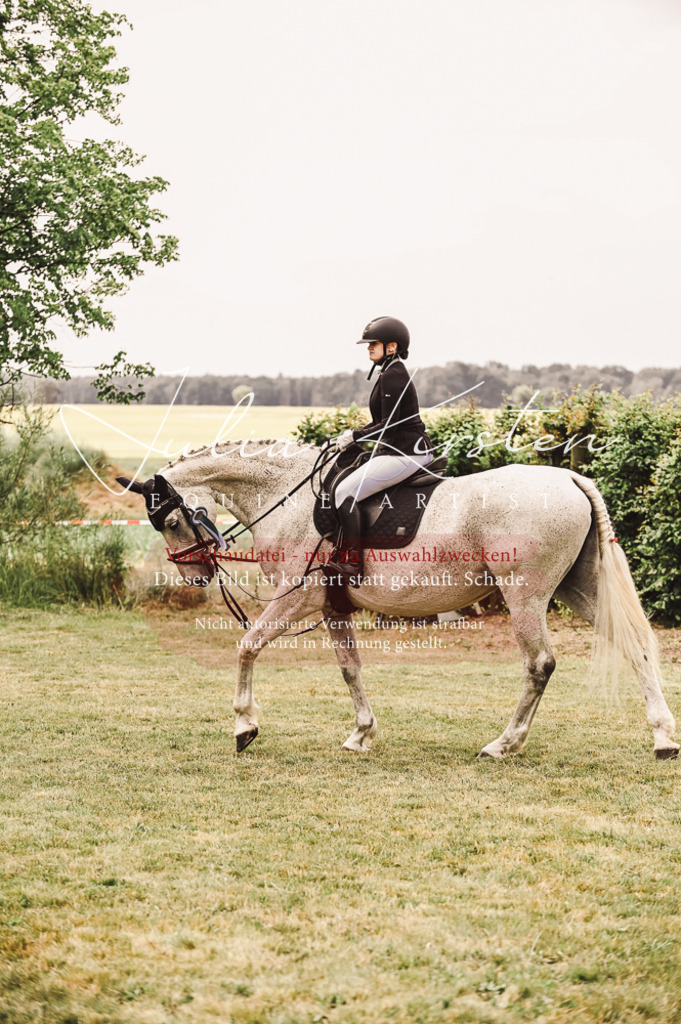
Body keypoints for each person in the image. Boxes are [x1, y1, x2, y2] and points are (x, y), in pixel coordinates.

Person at [326, 316, 434, 586]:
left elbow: (389, 424)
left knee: (344, 492)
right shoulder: (390, 371)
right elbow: (382, 422)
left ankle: (353, 564)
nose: (369, 348)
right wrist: (351, 435)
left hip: (405, 453)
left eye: (373, 343)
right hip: (398, 450)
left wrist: (355, 437)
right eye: (368, 344)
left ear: (392, 346)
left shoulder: (393, 375)